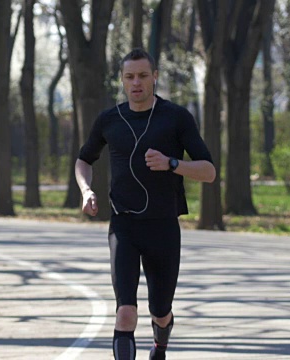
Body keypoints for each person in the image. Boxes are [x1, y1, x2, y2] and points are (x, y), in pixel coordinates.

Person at [75, 48, 216, 360]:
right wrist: (86, 190)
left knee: (160, 311)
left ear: (155, 77)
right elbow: (84, 160)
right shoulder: (109, 120)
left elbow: (209, 171)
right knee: (125, 312)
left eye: (142, 75)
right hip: (124, 226)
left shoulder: (176, 118)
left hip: (163, 227)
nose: (136, 82)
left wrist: (172, 163)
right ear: (123, 81)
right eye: (129, 77)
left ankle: (160, 345)